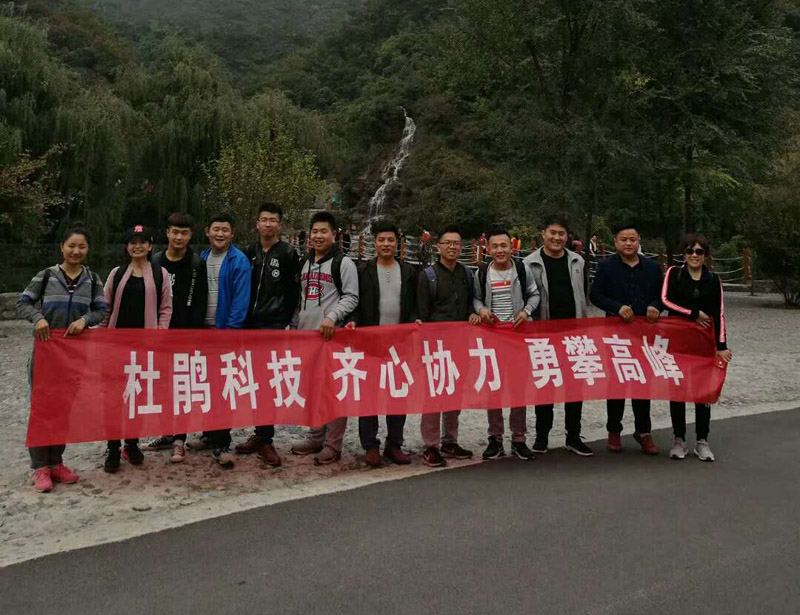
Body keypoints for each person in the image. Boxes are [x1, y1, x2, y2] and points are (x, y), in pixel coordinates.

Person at [17, 226, 107, 492]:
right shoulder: (46, 276)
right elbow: (23, 302)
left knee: (64, 408)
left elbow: (101, 309)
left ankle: (56, 462)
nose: (76, 251)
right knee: (42, 407)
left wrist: (84, 320)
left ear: (87, 250)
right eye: (71, 246)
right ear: (62, 247)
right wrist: (38, 318)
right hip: (46, 352)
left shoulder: (92, 279)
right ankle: (40, 466)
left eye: (81, 246)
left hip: (74, 355)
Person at [234, 202, 301, 467]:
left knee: (268, 382)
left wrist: (289, 323)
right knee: (251, 381)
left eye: (273, 220)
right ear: (257, 223)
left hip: (273, 325)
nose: (268, 224)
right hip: (248, 324)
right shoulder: (248, 252)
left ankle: (266, 439)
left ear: (279, 225)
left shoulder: (288, 253)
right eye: (264, 219)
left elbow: (294, 293)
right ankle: (259, 434)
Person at [290, 211, 359, 465]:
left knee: (334, 390)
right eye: (315, 232)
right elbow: (299, 299)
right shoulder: (304, 262)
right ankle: (316, 436)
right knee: (312, 389)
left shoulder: (344, 264)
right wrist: (294, 327)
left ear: (334, 234)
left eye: (324, 231)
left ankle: (333, 444)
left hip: (332, 338)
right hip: (306, 337)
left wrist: (332, 316)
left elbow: (351, 296)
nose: (318, 236)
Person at [102, 225, 173, 472]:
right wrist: (100, 335)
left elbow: (166, 308)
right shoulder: (117, 273)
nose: (138, 246)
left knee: (137, 395)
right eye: (133, 242)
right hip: (116, 345)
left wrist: (159, 335)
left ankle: (131, 444)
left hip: (144, 347)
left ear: (150, 246)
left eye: (142, 242)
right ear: (127, 246)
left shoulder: (160, 273)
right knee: (113, 398)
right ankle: (112, 447)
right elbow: (105, 307)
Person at [523, 214, 594, 457]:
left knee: (575, 387)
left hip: (574, 333)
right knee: (546, 385)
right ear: (543, 234)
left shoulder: (577, 261)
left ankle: (573, 436)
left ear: (567, 236)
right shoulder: (529, 263)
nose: (556, 237)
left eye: (561, 233)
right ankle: (542, 436)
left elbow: (584, 294)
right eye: (552, 232)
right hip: (544, 334)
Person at [590, 223, 663, 455]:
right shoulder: (606, 266)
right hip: (616, 335)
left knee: (643, 382)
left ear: (639, 241)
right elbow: (595, 295)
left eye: (633, 239)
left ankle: (644, 431)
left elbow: (663, 296)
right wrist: (617, 307)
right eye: (624, 239)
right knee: (616, 384)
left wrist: (655, 306)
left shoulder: (652, 267)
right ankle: (614, 430)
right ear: (616, 242)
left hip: (644, 335)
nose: (628, 243)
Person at [141, 213, 208, 463]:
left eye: (184, 233)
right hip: (159, 336)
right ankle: (166, 433)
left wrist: (195, 336)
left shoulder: (196, 263)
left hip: (185, 335)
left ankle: (180, 439)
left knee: (182, 388)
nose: (179, 237)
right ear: (167, 233)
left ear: (191, 235)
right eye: (175, 232)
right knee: (161, 388)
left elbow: (200, 302)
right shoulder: (155, 261)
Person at [187, 213, 251, 468]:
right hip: (203, 331)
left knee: (224, 388)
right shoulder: (200, 259)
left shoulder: (239, 261)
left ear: (232, 234)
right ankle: (208, 434)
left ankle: (222, 441)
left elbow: (241, 300)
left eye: (225, 230)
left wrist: (230, 332)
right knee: (206, 385)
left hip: (224, 332)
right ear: (207, 231)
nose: (220, 234)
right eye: (216, 229)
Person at [661, 233, 731, 461]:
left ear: (705, 255)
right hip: (678, 343)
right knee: (678, 391)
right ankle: (679, 439)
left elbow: (719, 314)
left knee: (703, 393)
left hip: (703, 344)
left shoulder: (713, 280)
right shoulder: (674, 274)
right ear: (684, 254)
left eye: (699, 251)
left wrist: (722, 345)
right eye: (690, 251)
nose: (694, 255)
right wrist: (693, 314)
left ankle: (702, 440)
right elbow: (665, 300)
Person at [352, 219, 417, 467]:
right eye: (381, 240)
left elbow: (414, 305)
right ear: (374, 242)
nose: (386, 244)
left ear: (397, 243)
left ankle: (394, 444)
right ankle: (370, 445)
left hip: (399, 344)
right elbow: (355, 302)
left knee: (397, 394)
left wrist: (415, 322)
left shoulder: (409, 271)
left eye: (391, 240)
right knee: (368, 395)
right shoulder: (363, 270)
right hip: (370, 342)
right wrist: (353, 323)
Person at [416, 225, 480, 467]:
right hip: (435, 345)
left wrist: (473, 314)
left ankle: (450, 441)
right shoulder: (428, 276)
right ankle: (430, 445)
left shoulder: (467, 274)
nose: (452, 247)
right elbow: (421, 312)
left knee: (455, 393)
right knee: (433, 395)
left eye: (456, 243)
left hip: (460, 343)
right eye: (447, 243)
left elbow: (470, 305)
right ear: (438, 246)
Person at [473, 228, 540, 461]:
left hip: (517, 337)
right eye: (495, 246)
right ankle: (495, 439)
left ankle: (519, 439)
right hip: (493, 338)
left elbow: (534, 294)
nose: (500, 250)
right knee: (494, 388)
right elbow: (476, 298)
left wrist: (526, 311)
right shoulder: (483, 272)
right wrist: (481, 310)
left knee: (518, 389)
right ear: (488, 249)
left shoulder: (521, 269)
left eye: (504, 246)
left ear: (512, 247)